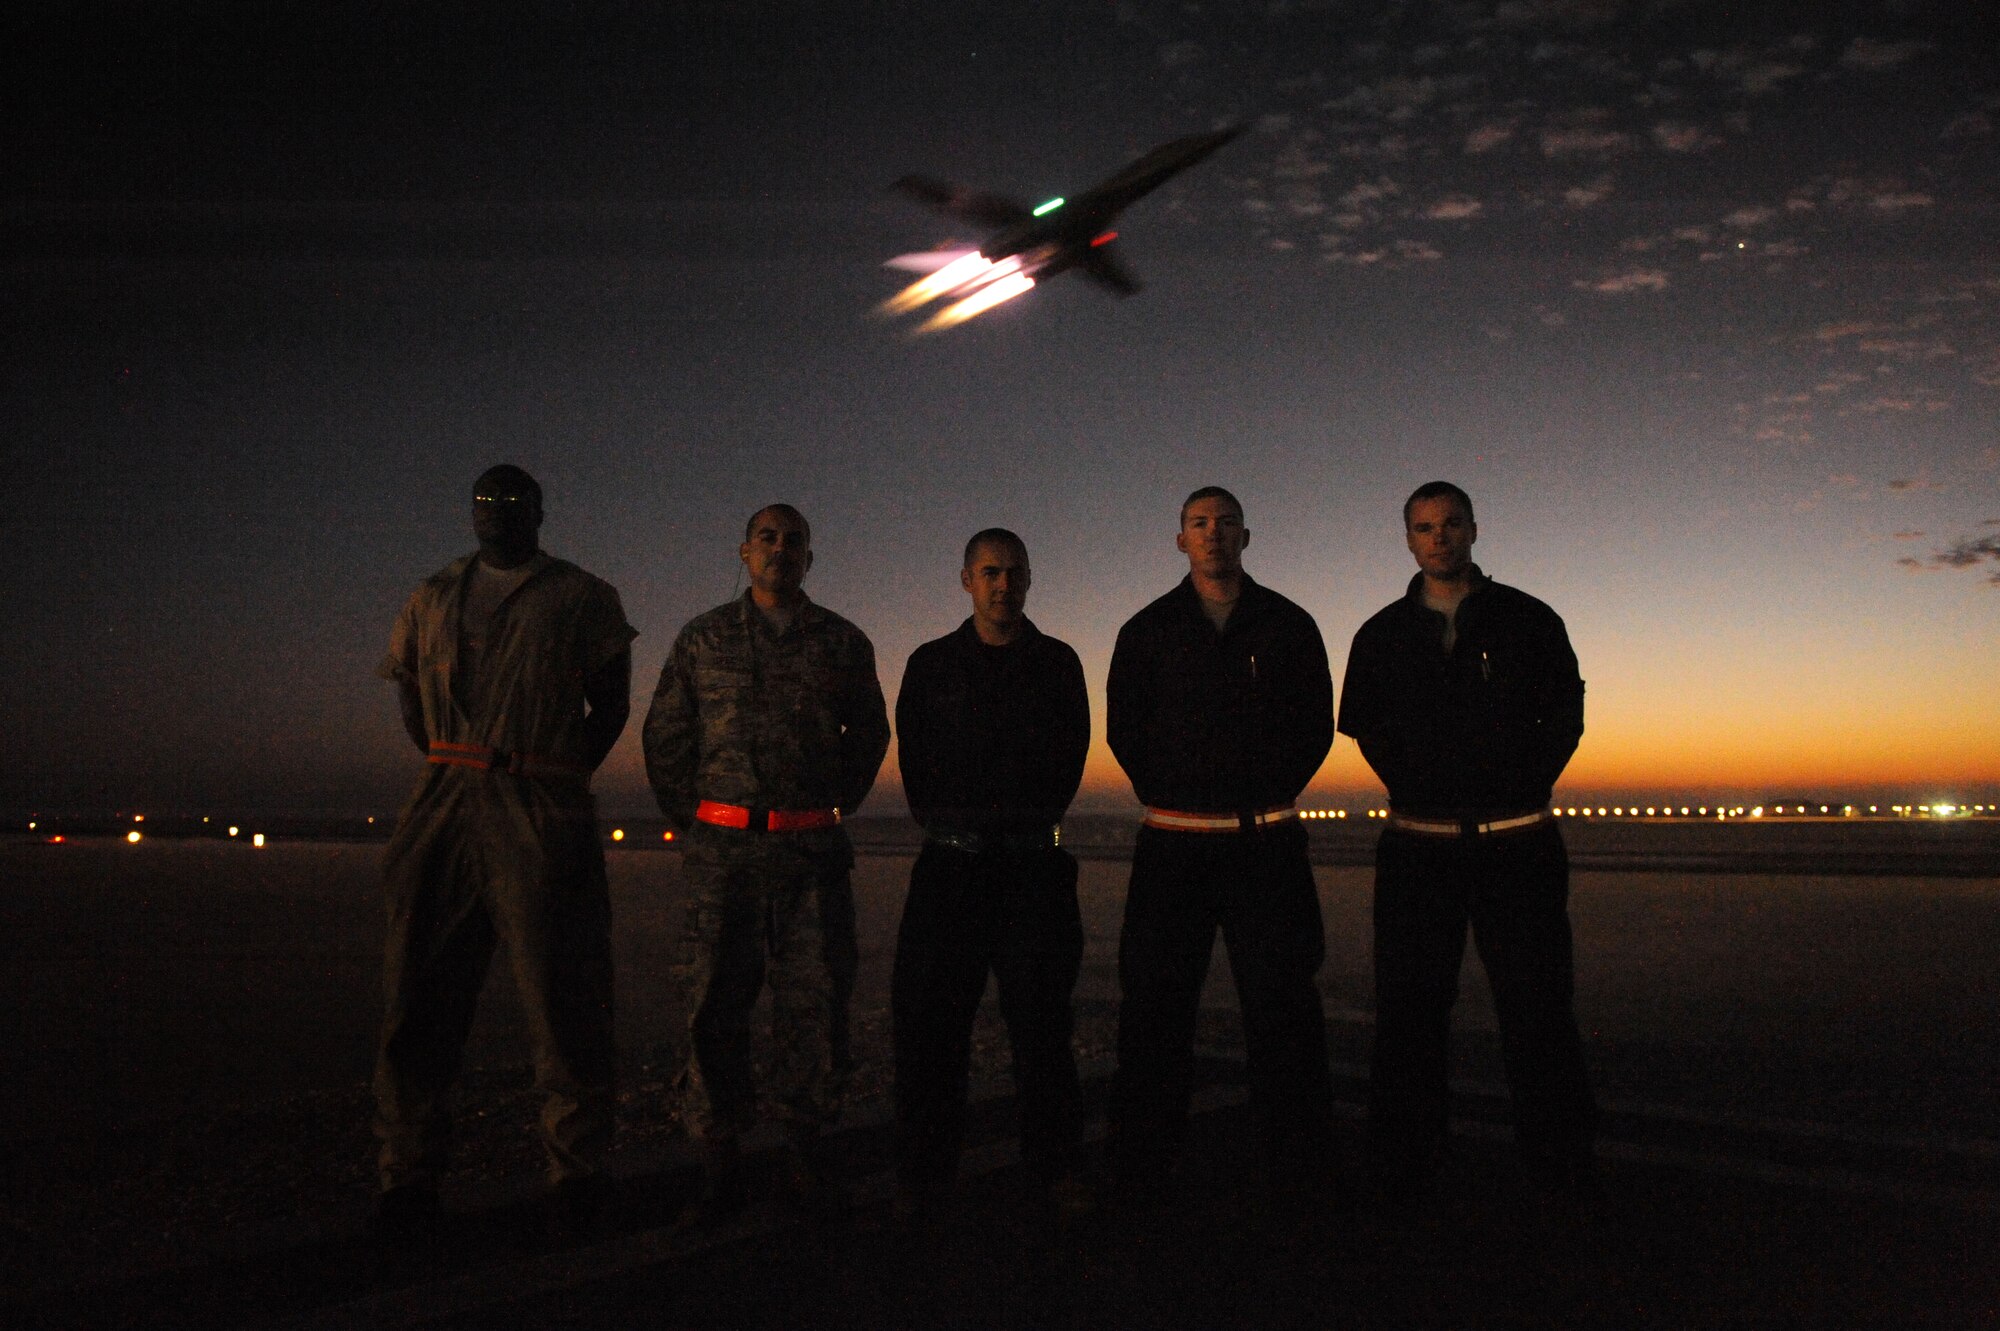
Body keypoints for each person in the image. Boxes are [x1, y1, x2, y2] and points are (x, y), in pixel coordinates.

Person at [373, 464, 635, 1243]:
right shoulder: (432, 594)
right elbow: (412, 701)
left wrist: (549, 770)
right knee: (417, 992)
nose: (498, 513)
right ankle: (407, 1174)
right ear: (471, 512)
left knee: (563, 995)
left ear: (541, 511)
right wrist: (461, 760)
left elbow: (611, 704)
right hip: (445, 798)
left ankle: (575, 1171)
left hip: (539, 797)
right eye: (485, 501)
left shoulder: (582, 596)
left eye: (514, 501)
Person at [1338, 481, 1597, 1201]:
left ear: (1475, 529)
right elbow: (1366, 726)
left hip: (1519, 846)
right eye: (1424, 527)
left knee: (1538, 1007)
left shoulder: (1529, 619)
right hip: (1419, 850)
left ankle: (1563, 1166)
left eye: (1451, 523)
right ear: (1408, 539)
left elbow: (1566, 713)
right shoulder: (1380, 634)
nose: (1439, 537)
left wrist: (1523, 780)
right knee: (1411, 1010)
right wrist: (1421, 783)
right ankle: (1407, 1165)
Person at [643, 504, 890, 1217]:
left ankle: (805, 1158)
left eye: (795, 541)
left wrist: (827, 804)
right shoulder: (704, 638)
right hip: (723, 862)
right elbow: (666, 737)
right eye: (768, 538)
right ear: (744, 552)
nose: (781, 549)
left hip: (812, 858)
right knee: (713, 1010)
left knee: (814, 1011)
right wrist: (700, 826)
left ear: (810, 558)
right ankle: (719, 1166)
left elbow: (869, 737)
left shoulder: (843, 642)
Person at [1105, 486, 1337, 1201]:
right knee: (1155, 1008)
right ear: (1180, 539)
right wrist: (1176, 789)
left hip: (1264, 846)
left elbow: (1314, 726)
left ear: (1246, 535)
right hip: (1173, 848)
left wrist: (1259, 789)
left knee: (1283, 1008)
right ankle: (1145, 1161)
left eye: (1225, 523)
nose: (1212, 535)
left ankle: (1298, 1163)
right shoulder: (1146, 630)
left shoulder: (1289, 625)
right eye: (1199, 524)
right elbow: (1125, 728)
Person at [891, 529, 1093, 1221]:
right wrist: (963, 817)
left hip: (1034, 868)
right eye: (989, 572)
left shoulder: (1058, 663)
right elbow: (915, 761)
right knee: (931, 1030)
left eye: (1013, 572)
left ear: (1029, 578)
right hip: (950, 867)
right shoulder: (931, 665)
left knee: (1041, 1027)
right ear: (966, 580)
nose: (1002, 584)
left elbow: (1071, 756)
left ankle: (1057, 1168)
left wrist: (1019, 818)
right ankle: (924, 1176)